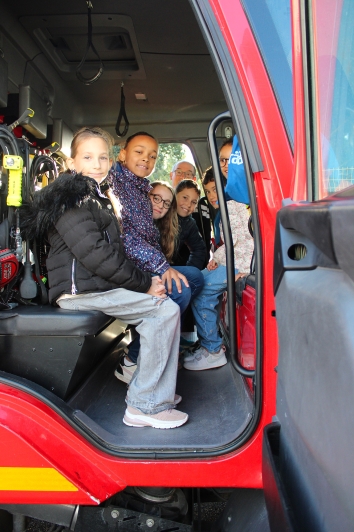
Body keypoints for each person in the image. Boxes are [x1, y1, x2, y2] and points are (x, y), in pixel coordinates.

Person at [20, 127, 188, 430]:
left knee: (164, 308)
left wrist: (146, 280)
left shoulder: (98, 198)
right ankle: (146, 405)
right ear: (73, 163)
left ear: (111, 162)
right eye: (87, 157)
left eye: (102, 157)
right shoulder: (72, 198)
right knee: (164, 311)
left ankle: (153, 392)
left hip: (95, 286)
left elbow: (114, 254)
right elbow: (95, 255)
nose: (97, 164)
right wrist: (145, 283)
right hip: (79, 293)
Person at [108, 133, 204, 377]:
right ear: (122, 154)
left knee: (193, 277)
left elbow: (198, 249)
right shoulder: (117, 185)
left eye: (152, 156)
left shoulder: (139, 189)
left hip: (138, 266)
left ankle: (158, 349)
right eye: (139, 152)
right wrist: (162, 267)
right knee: (180, 288)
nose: (146, 159)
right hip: (124, 269)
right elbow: (126, 237)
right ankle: (134, 359)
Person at [183, 168, 254, 371]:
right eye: (208, 191)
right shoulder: (227, 209)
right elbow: (230, 244)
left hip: (241, 263)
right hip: (236, 260)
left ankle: (213, 350)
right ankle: (209, 341)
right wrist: (217, 259)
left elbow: (240, 243)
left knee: (200, 288)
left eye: (215, 189)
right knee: (198, 280)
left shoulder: (233, 206)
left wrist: (243, 269)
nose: (212, 196)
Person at [172, 179, 208, 269]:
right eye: (185, 198)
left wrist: (191, 269)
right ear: (174, 195)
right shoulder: (162, 213)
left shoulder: (189, 223)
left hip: (171, 267)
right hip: (149, 266)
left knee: (197, 276)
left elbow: (199, 249)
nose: (188, 205)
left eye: (193, 202)